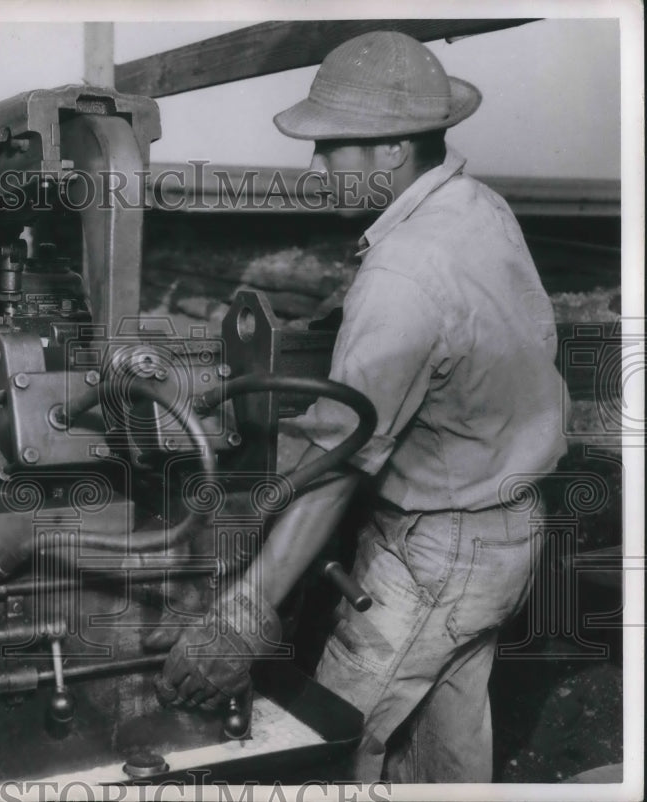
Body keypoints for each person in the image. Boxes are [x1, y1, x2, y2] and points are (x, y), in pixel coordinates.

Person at [151, 30, 568, 782]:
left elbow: (341, 464)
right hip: (506, 531)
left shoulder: (402, 274)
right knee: (445, 748)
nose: (316, 167)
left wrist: (243, 618)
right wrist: (346, 328)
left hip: (436, 551)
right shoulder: (476, 206)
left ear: (392, 149)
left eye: (332, 147)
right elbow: (484, 329)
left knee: (322, 746)